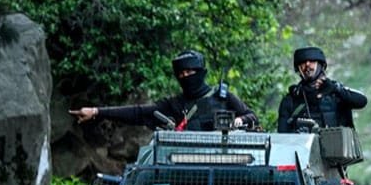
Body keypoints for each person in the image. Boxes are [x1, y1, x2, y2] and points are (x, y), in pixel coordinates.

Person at [69, 50, 258, 131]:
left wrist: (238, 121)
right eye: (181, 74)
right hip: (183, 167)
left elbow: (253, 117)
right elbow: (138, 113)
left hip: (225, 164)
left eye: (189, 72)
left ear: (200, 72)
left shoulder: (223, 98)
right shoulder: (174, 105)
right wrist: (96, 112)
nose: (185, 77)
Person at [277, 46, 367, 133]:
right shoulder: (291, 99)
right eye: (303, 63)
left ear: (321, 65)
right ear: (298, 69)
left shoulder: (337, 93)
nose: (307, 64)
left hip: (337, 146)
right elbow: (282, 136)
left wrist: (335, 89)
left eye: (312, 61)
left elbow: (362, 101)